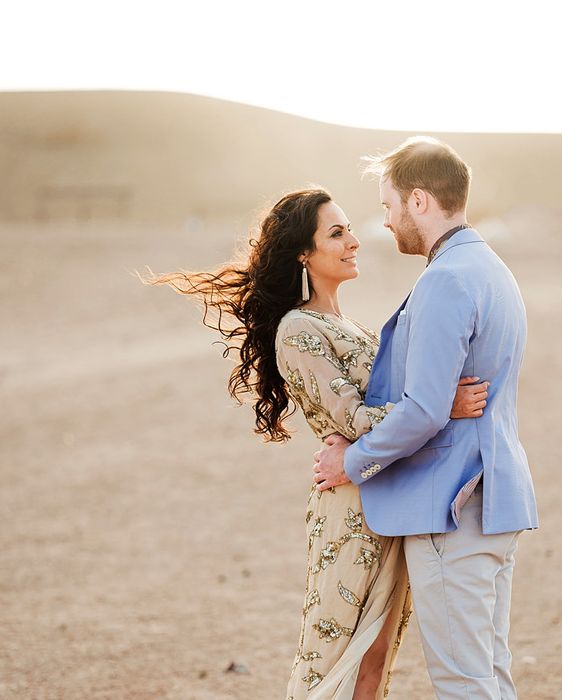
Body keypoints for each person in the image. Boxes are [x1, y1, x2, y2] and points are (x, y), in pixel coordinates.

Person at [144, 187, 488, 699]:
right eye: (336, 233)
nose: (354, 241)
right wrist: (441, 406)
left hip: (390, 502)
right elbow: (354, 421)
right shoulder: (297, 330)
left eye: (349, 229)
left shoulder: (348, 325)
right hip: (350, 512)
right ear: (304, 254)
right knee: (329, 664)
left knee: (374, 664)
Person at [313, 138, 539, 700]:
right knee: (489, 675)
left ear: (419, 201)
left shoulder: (446, 279)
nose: (386, 222)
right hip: (495, 499)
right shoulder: (492, 269)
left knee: (464, 682)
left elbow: (424, 410)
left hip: (451, 506)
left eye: (389, 206)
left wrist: (353, 462)